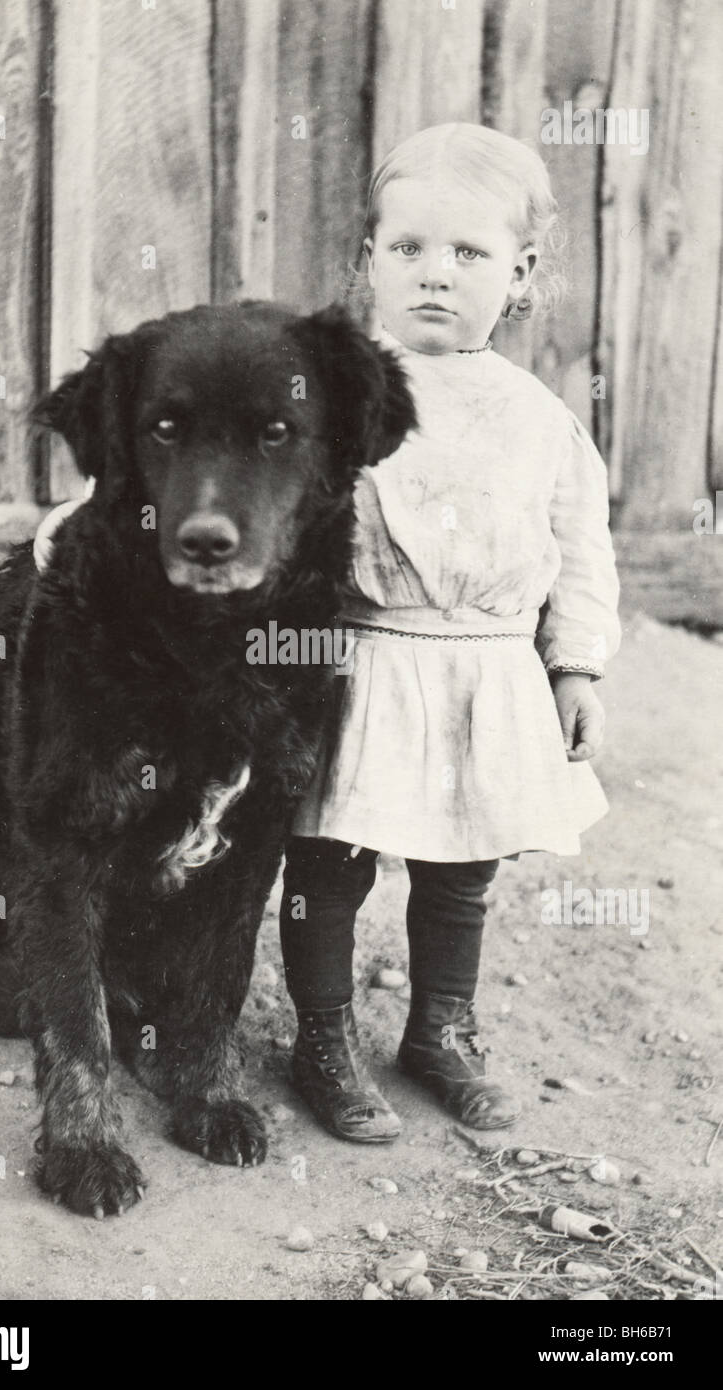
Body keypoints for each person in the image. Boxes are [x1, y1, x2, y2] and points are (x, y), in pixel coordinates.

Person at [279, 122, 621, 1141]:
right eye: (408, 249)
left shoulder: (537, 418)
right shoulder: (333, 394)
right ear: (367, 260)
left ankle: (439, 1027)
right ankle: (322, 1037)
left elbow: (578, 548)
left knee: (460, 868)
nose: (435, 274)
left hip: (483, 667)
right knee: (329, 860)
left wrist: (573, 668)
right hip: (359, 657)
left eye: (467, 254)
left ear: (517, 273)